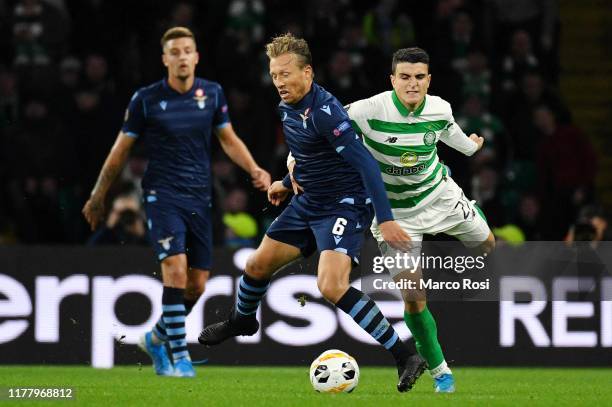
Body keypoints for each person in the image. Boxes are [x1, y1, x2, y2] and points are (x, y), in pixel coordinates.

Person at [199, 33, 427, 393]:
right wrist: (287, 183)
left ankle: (405, 355)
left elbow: (366, 165)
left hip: (343, 204)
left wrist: (385, 218)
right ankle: (241, 322)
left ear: (308, 72)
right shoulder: (287, 107)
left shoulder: (325, 112)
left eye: (286, 74)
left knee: (330, 285)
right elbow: (313, 158)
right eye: (274, 75)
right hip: (309, 202)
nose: (280, 82)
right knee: (256, 267)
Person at [288, 47, 496, 393]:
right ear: (393, 80)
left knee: (488, 246)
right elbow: (319, 125)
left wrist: (473, 147)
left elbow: (457, 140)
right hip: (394, 214)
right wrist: (293, 160)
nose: (412, 84)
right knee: (413, 297)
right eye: (404, 77)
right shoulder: (369, 109)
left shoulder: (440, 108)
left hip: (439, 196)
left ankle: (473, 212)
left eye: (418, 77)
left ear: (428, 80)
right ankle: (441, 371)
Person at [82, 27, 271, 377]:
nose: (182, 56)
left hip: (200, 196)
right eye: (175, 51)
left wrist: (254, 169)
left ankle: (156, 337)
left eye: (188, 50)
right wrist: (98, 195)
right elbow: (119, 150)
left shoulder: (211, 94)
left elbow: (228, 140)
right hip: (162, 195)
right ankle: (179, 355)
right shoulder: (146, 99)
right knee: (176, 270)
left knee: (197, 284)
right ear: (165, 59)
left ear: (196, 56)